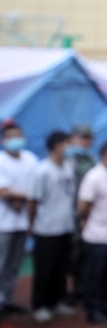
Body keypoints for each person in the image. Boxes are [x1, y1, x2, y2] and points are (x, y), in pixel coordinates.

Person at [28, 130, 78, 322]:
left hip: (65, 227)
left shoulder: (68, 168)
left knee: (61, 268)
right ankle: (40, 304)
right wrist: (31, 225)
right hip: (46, 229)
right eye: (67, 144)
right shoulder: (42, 170)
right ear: (57, 146)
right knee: (45, 269)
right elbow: (33, 201)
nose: (70, 148)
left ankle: (58, 301)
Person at [77, 140, 107, 324]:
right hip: (96, 236)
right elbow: (83, 205)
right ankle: (93, 309)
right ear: (106, 155)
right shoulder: (94, 177)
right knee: (94, 275)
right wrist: (90, 222)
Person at [0, 121, 39, 316]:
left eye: (19, 135)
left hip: (22, 222)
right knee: (1, 263)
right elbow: (4, 192)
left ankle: (8, 299)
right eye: (11, 136)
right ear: (4, 140)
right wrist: (26, 197)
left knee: (15, 263)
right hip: (3, 224)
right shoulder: (1, 161)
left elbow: (36, 187)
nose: (16, 140)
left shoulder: (30, 159)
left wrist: (20, 198)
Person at [65, 123, 97, 307]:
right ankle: (70, 288)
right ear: (73, 139)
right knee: (71, 253)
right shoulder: (66, 160)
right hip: (69, 215)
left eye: (88, 138)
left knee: (84, 251)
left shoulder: (91, 160)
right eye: (82, 138)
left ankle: (81, 287)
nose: (85, 141)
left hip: (87, 214)